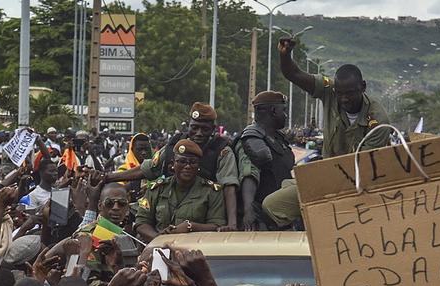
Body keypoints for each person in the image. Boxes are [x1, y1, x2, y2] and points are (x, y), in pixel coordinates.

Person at [264, 37, 392, 229]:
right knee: (272, 205)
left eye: (350, 93)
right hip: (326, 178)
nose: (344, 99)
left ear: (363, 87)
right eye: (340, 93)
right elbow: (294, 74)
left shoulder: (378, 121)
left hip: (359, 189)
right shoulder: (329, 90)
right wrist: (285, 56)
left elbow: (362, 169)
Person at [106, 103, 240, 231]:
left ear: (213, 129)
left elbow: (229, 187)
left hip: (203, 212)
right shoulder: (174, 146)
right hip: (167, 207)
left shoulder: (221, 151)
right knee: (119, 212)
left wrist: (232, 223)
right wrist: (107, 177)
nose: (198, 133)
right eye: (195, 128)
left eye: (204, 129)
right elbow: (147, 168)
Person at [134, 139, 226, 242]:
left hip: (197, 249)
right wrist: (159, 239)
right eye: (182, 161)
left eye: (193, 162)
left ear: (198, 166)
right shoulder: (156, 188)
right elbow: (141, 222)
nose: (187, 166)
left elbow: (217, 226)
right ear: (173, 164)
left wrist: (191, 227)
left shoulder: (211, 191)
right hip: (159, 248)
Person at [234, 91, 295, 230]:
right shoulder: (252, 138)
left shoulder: (278, 138)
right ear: (273, 111)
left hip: (281, 213)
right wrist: (249, 209)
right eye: (283, 110)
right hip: (262, 216)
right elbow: (249, 173)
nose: (285, 115)